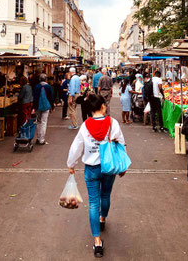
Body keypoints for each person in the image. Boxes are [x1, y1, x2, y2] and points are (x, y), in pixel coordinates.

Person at [67, 94, 126, 258]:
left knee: (93, 203)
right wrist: (123, 166)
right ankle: (102, 218)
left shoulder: (85, 126)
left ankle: (97, 242)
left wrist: (71, 165)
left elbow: (76, 148)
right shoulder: (112, 123)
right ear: (102, 107)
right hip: (109, 168)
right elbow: (121, 144)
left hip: (91, 169)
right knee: (105, 195)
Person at [33, 74, 54, 145]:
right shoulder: (48, 87)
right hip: (46, 106)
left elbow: (35, 97)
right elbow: (51, 97)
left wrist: (34, 107)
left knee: (38, 122)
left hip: (37, 107)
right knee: (44, 122)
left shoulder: (37, 86)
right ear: (46, 79)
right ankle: (42, 139)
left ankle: (38, 138)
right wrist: (52, 106)